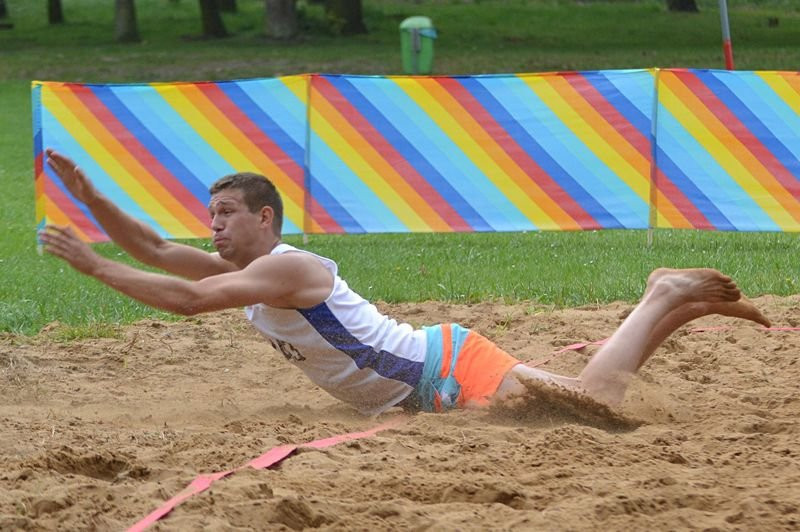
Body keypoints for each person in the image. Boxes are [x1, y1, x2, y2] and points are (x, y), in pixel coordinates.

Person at [39, 149, 771, 417]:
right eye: (211, 215)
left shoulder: (288, 268)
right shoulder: (250, 272)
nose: (214, 227)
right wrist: (94, 200)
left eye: (227, 214)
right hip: (429, 379)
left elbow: (190, 301)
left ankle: (668, 296)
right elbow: (161, 250)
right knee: (589, 403)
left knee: (598, 405)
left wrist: (94, 263)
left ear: (266, 218)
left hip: (445, 369)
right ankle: (676, 302)